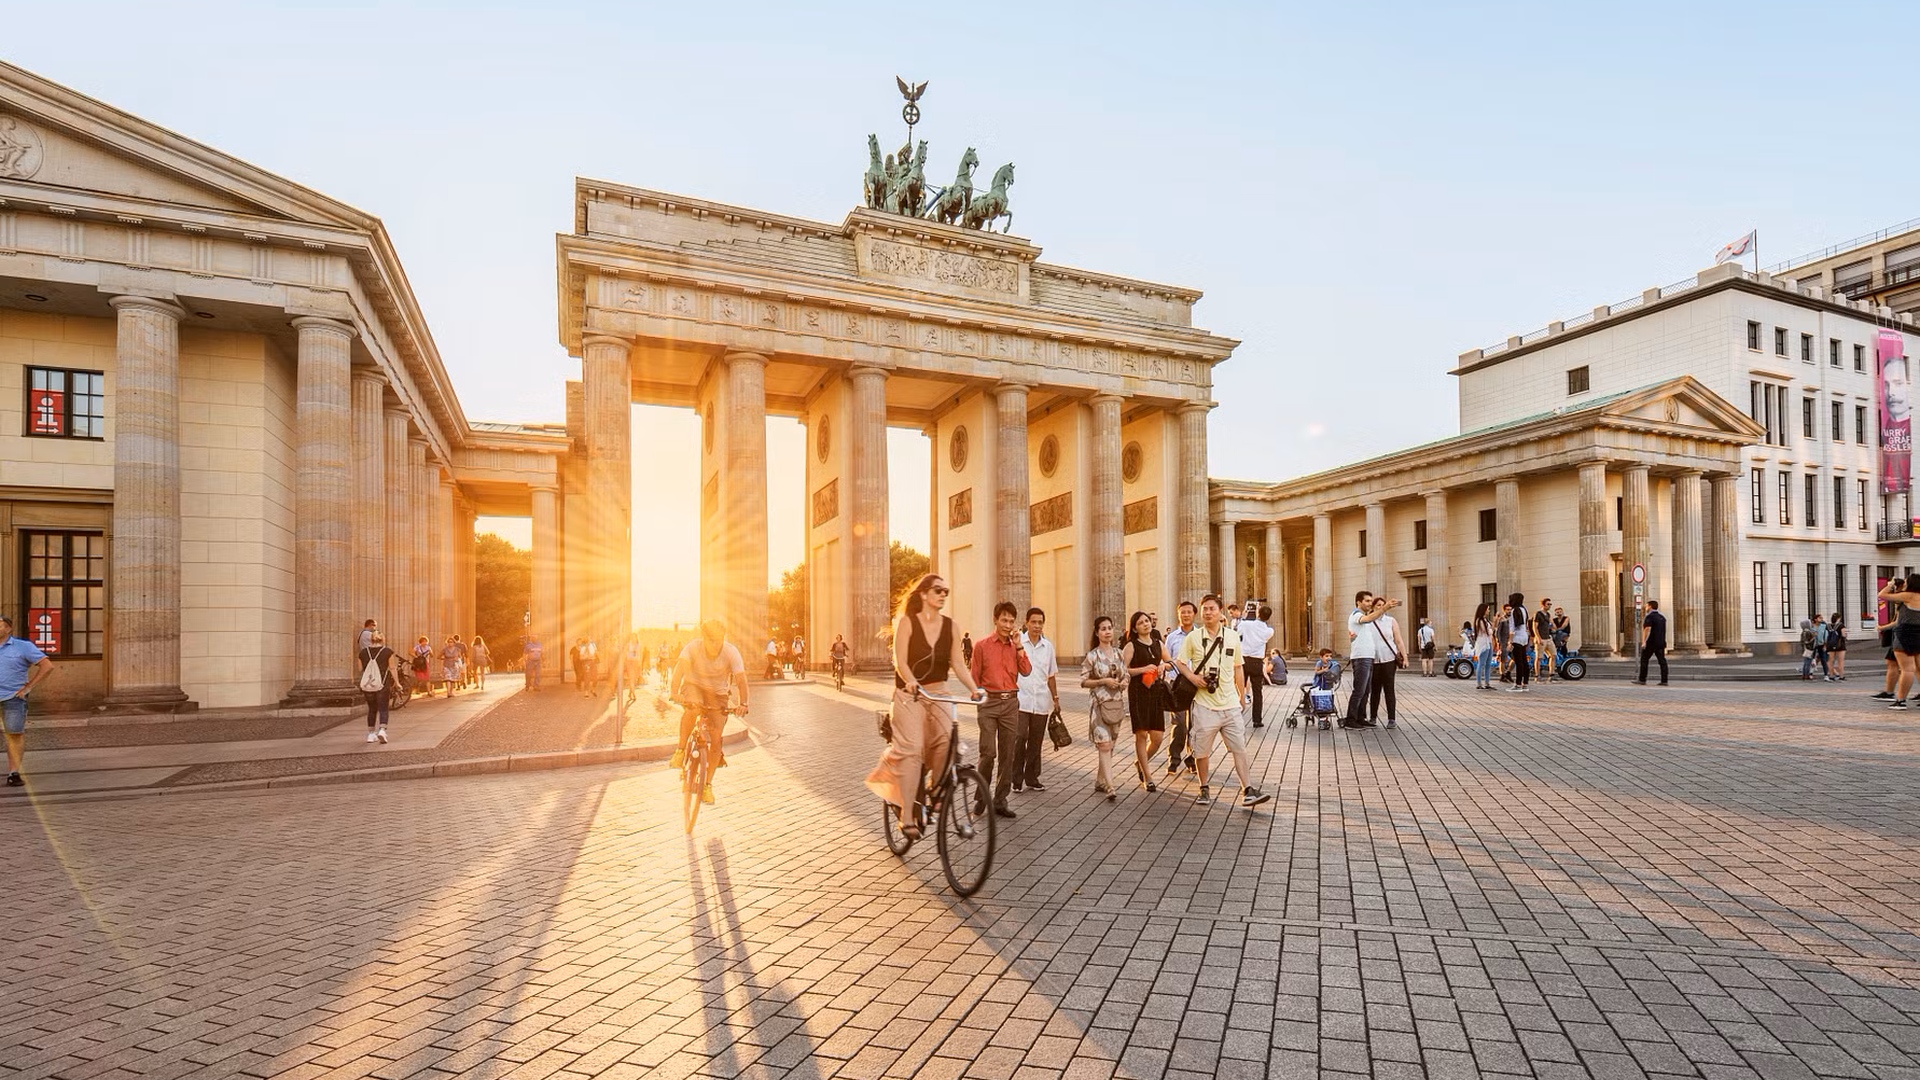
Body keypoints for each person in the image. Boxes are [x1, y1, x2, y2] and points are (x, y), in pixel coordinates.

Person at [867, 574, 983, 839]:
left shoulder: (951, 626)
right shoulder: (907, 623)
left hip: (939, 692)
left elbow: (958, 664)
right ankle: (907, 816)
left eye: (946, 591)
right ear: (923, 594)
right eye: (938, 590)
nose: (943, 594)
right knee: (912, 749)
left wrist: (974, 689)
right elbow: (900, 662)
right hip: (910, 694)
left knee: (946, 740)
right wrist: (911, 683)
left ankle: (936, 791)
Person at [1175, 595, 1272, 809]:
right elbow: (1180, 663)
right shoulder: (1193, 637)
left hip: (1229, 704)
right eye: (1204, 609)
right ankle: (1204, 787)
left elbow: (1238, 666)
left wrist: (1241, 695)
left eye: (1211, 608)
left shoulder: (1232, 636)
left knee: (1239, 748)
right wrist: (1193, 678)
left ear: (1220, 612)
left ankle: (1247, 789)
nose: (1208, 612)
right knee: (1202, 751)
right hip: (1204, 704)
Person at [669, 619, 750, 805]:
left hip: (718, 694)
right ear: (703, 637)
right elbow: (679, 670)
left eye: (718, 640)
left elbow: (741, 680)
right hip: (694, 686)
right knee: (694, 706)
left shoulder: (731, 652)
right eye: (710, 640)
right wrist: (674, 692)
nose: (715, 644)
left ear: (723, 638)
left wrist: (743, 703)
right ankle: (681, 750)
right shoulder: (692, 648)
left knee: (716, 739)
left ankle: (707, 784)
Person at [968, 601, 1030, 819]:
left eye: (1011, 621)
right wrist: (977, 696)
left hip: (1011, 704)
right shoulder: (982, 646)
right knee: (988, 753)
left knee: (1007, 755)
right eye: (1004, 620)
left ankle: (1000, 800)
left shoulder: (1015, 647)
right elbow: (974, 678)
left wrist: (1020, 646)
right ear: (995, 620)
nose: (1007, 624)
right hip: (989, 704)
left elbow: (1027, 671)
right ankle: (981, 797)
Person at [0, 615, 55, 787]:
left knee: (14, 735)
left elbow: (47, 666)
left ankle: (13, 773)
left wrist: (28, 687)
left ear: (8, 628)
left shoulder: (23, 647)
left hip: (13, 698)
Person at [1012, 608, 1058, 795]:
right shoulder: (1017, 643)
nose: (1037, 626)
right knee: (1020, 737)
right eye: (1034, 622)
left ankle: (1032, 778)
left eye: (1040, 622)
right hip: (1021, 699)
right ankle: (1016, 780)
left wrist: (1056, 698)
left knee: (1036, 741)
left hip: (1041, 699)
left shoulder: (1048, 647)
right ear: (1026, 622)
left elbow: (1051, 675)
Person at [1081, 615, 1126, 801]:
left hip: (1116, 705)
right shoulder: (1092, 656)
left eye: (1110, 628)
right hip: (1099, 705)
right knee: (1105, 745)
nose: (1107, 631)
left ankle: (1100, 780)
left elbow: (1127, 674)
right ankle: (1110, 786)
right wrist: (1102, 681)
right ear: (1097, 632)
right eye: (1103, 628)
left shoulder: (1119, 653)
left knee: (1110, 745)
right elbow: (1084, 681)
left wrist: (1124, 682)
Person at [1120, 611, 1166, 793]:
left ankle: (1140, 762)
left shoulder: (1158, 643)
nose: (1145, 624)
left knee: (1158, 737)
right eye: (1140, 623)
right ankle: (1148, 777)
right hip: (1138, 693)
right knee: (1141, 735)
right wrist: (1143, 669)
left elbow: (1171, 662)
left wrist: (1164, 665)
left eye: (1147, 621)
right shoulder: (1131, 646)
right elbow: (1123, 671)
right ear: (1134, 628)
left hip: (1155, 692)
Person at [1343, 590, 1392, 727]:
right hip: (1361, 657)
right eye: (1367, 601)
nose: (1370, 604)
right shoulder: (1356, 615)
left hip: (1368, 657)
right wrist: (1385, 608)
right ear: (1359, 602)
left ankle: (1360, 718)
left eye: (1371, 601)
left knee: (1366, 691)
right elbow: (1368, 619)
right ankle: (1351, 719)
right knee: (1359, 690)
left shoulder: (1363, 616)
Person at [1161, 600, 1197, 779]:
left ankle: (1192, 760)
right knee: (1180, 724)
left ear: (1194, 614)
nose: (1186, 615)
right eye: (1182, 612)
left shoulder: (1200, 635)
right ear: (1178, 614)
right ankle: (1174, 759)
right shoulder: (1172, 637)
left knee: (1195, 725)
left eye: (1189, 612)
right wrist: (1165, 669)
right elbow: (1167, 660)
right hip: (1178, 686)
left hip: (1197, 686)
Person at [1878, 575, 1920, 709]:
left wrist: (1890, 584)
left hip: (1905, 634)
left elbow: (1882, 595)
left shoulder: (1908, 596)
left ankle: (1901, 700)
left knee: (1907, 669)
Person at [1365, 596, 1404, 727]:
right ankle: (1373, 717)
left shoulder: (1391, 621)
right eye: (1378, 605)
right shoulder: (1368, 622)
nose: (1381, 607)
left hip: (1389, 659)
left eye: (1383, 605)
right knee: (1375, 690)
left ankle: (1391, 719)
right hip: (1374, 660)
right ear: (1373, 607)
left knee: (1389, 689)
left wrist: (1405, 656)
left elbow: (1398, 640)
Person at [1237, 604, 1274, 727]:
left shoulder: (1247, 624)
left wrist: (1243, 617)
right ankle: (1257, 720)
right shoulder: (1269, 631)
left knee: (1239, 688)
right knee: (1257, 692)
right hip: (1257, 661)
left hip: (1244, 659)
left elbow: (1238, 631)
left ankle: (1236, 716)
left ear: (1258, 614)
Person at [357, 631, 397, 744]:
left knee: (372, 709)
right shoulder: (387, 652)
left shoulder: (363, 653)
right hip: (382, 683)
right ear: (382, 639)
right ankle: (382, 730)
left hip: (368, 684)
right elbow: (392, 668)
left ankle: (370, 734)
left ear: (371, 639)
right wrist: (397, 683)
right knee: (383, 708)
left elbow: (360, 669)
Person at [1636, 599, 1669, 686]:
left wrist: (1644, 641)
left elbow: (1647, 629)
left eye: (1646, 606)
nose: (1645, 608)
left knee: (1644, 659)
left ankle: (1642, 679)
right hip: (1661, 642)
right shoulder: (1662, 617)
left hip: (1651, 642)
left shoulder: (1649, 617)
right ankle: (1664, 680)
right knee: (1662, 661)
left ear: (1650, 606)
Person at [1471, 603, 1496, 690]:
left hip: (1488, 642)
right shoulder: (1480, 620)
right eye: (1487, 609)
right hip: (1483, 643)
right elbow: (1488, 632)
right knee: (1481, 663)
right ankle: (1479, 683)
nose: (1488, 611)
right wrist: (1493, 626)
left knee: (1488, 664)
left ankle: (1487, 682)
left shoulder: (1486, 620)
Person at [1534, 599, 1557, 681]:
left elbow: (1553, 626)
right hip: (1541, 638)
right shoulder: (1538, 614)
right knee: (1539, 657)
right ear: (1543, 605)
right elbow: (1535, 627)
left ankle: (1551, 674)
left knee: (1553, 655)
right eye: (1548, 604)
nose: (1549, 606)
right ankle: (1537, 675)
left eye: (1550, 604)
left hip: (1548, 637)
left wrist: (1552, 624)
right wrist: (1538, 638)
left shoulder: (1548, 614)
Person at [1828, 614, 1848, 681]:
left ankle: (1831, 675)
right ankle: (1841, 676)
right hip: (1840, 645)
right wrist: (1845, 636)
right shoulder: (1841, 625)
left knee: (1831, 661)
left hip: (1830, 645)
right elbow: (1843, 634)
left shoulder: (1828, 626)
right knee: (1840, 661)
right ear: (1838, 618)